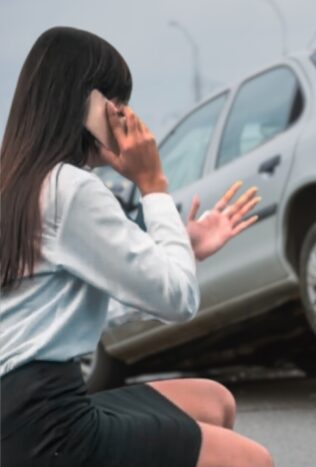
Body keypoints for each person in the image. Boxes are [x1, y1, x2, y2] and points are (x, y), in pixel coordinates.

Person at [0, 27, 274, 467]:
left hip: (20, 414)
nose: (125, 115)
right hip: (48, 424)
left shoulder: (18, 184)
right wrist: (153, 184)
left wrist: (183, 247)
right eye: (116, 102)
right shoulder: (70, 189)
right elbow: (178, 300)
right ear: (86, 104)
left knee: (212, 401)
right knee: (249, 460)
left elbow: (75, 308)